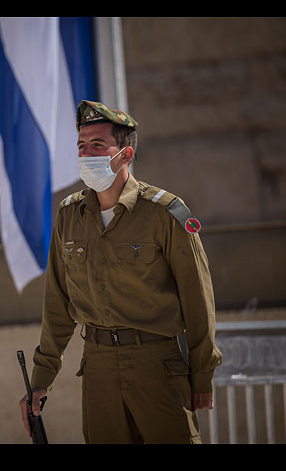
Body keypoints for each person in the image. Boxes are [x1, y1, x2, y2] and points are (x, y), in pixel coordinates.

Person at [18, 100, 223, 444]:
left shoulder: (164, 213)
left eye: (98, 145)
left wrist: (202, 376)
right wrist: (41, 379)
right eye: (81, 146)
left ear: (125, 154)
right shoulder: (69, 216)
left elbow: (198, 300)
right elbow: (57, 305)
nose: (86, 154)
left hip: (156, 364)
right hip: (97, 367)